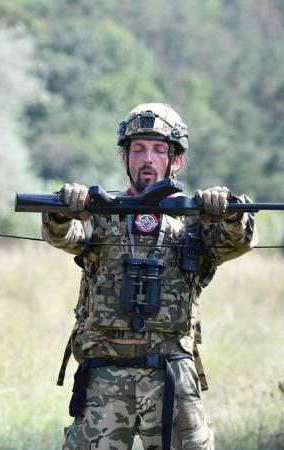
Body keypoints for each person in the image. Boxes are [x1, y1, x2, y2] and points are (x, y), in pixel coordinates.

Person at [43, 103, 257, 450]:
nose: (148, 159)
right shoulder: (102, 214)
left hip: (171, 373)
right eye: (139, 149)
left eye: (159, 150)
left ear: (177, 160)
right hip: (104, 374)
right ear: (124, 158)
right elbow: (64, 236)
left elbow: (237, 242)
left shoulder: (194, 219)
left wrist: (229, 212)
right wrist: (63, 210)